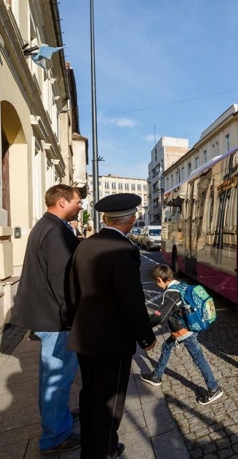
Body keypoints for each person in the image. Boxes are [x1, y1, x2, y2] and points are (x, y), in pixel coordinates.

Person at [67, 193, 157, 458]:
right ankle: (104, 450)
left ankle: (90, 446)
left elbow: (72, 292)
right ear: (130, 221)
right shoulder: (124, 250)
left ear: (105, 219)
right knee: (110, 402)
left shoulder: (84, 245)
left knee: (90, 396)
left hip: (84, 337)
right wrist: (145, 337)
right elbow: (131, 300)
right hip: (112, 341)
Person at [10, 184, 82, 455]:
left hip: (46, 315)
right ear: (62, 201)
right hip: (56, 318)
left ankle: (57, 420)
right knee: (58, 378)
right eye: (77, 201)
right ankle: (55, 436)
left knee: (51, 376)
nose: (80, 206)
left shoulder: (46, 225)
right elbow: (63, 280)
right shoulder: (54, 232)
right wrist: (73, 316)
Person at [140, 265, 224, 405]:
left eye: (156, 281)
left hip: (184, 332)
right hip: (187, 327)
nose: (157, 284)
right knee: (167, 347)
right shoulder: (180, 285)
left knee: (198, 358)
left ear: (160, 279)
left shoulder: (171, 293)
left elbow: (160, 317)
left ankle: (214, 388)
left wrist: (143, 326)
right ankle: (156, 376)